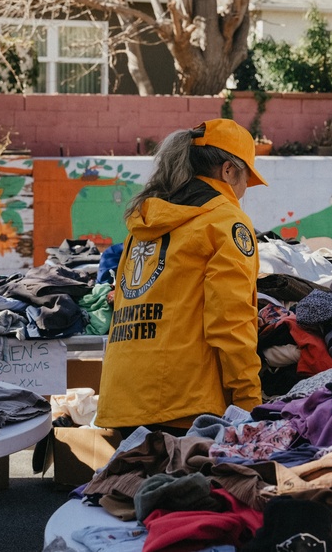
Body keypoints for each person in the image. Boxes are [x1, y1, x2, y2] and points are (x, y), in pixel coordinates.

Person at [95, 118, 267, 436]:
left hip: (122, 396)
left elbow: (122, 300)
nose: (244, 191)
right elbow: (230, 320)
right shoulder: (225, 222)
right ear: (228, 170)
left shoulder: (145, 222)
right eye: (246, 178)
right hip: (185, 404)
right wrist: (248, 399)